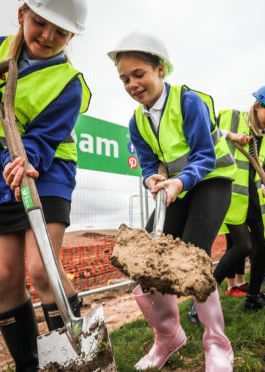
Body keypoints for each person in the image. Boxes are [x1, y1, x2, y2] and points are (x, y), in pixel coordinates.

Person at [0, 1, 90, 370]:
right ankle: (30, 365)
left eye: (60, 32)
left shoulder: (69, 84)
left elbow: (44, 139)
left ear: (71, 35)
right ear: (22, 15)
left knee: (43, 270)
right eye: (40, 23)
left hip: (46, 172)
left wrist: (28, 162)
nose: (47, 36)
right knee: (1, 278)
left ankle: (74, 358)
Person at [107, 31, 236, 371]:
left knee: (193, 258)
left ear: (160, 69)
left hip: (211, 180)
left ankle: (217, 344)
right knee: (147, 261)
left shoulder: (189, 102)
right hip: (176, 186)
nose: (133, 84)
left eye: (139, 74)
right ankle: (168, 337)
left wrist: (179, 181)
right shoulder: (136, 121)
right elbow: (149, 162)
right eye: (124, 79)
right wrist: (151, 176)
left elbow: (205, 157)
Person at [213, 85, 265, 312]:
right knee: (243, 245)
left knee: (264, 243)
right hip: (231, 194)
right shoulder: (230, 118)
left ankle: (253, 297)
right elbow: (203, 129)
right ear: (257, 106)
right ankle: (201, 300)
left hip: (254, 196)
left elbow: (262, 168)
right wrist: (230, 135)